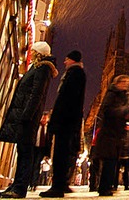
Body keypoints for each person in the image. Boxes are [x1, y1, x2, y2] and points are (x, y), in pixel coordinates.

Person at [0, 42, 58, 198]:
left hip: (27, 117)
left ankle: (20, 188)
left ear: (39, 53)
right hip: (25, 115)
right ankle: (16, 185)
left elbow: (36, 94)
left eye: (34, 51)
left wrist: (26, 115)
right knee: (22, 151)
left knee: (26, 152)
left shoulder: (43, 68)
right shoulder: (38, 67)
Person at [40, 50, 86, 198]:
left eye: (66, 59)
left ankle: (58, 186)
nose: (64, 62)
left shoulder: (75, 74)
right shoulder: (75, 73)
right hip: (67, 120)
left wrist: (57, 119)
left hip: (65, 120)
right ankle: (61, 184)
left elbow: (67, 99)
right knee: (63, 153)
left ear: (72, 60)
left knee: (61, 153)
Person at [94, 74, 129, 196]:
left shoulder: (124, 96)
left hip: (117, 133)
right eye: (124, 82)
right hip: (109, 132)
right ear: (118, 83)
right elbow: (107, 110)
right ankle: (104, 187)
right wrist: (124, 110)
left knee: (112, 161)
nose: (127, 84)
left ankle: (107, 186)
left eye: (128, 82)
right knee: (109, 160)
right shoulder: (112, 93)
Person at [30, 112, 52, 190]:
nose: (43, 119)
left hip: (42, 149)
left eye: (45, 118)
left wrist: (48, 154)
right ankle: (30, 182)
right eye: (42, 118)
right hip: (34, 147)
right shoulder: (36, 126)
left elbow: (49, 141)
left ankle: (33, 183)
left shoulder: (48, 128)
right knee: (31, 164)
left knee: (37, 165)